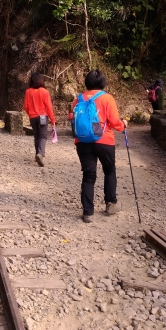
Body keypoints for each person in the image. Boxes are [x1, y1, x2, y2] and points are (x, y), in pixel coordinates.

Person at [70, 70, 127, 224]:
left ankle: (87, 212)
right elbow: (115, 122)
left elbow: (72, 119)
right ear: (103, 83)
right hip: (104, 141)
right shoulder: (107, 98)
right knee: (109, 171)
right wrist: (123, 125)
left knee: (88, 176)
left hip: (82, 141)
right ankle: (111, 204)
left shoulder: (78, 99)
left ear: (87, 83)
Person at [23, 72, 56, 167]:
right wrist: (52, 119)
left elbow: (26, 106)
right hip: (43, 117)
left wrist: (30, 114)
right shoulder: (45, 92)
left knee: (36, 136)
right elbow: (49, 107)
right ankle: (40, 153)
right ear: (41, 80)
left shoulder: (28, 91)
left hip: (33, 117)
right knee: (43, 136)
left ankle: (37, 153)